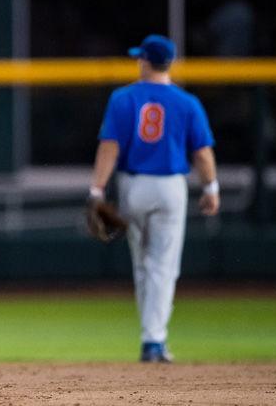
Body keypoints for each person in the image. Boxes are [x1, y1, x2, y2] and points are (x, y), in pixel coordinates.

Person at [89, 34, 219, 362]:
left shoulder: (123, 98)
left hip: (134, 186)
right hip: (172, 186)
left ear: (146, 61)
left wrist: (96, 189)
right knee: (164, 265)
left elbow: (109, 147)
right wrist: (211, 188)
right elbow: (202, 154)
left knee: (143, 265)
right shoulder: (187, 102)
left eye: (140, 58)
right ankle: (154, 340)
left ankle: (152, 337)